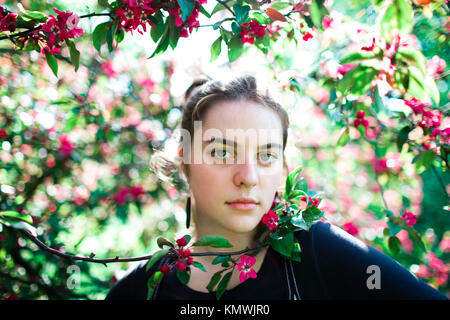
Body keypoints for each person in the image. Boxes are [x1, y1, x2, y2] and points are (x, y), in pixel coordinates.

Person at [105, 75, 447, 300]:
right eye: (222, 152)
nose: (248, 176)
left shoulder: (314, 251)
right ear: (185, 160)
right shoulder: (137, 292)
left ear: (283, 169)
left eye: (266, 155)